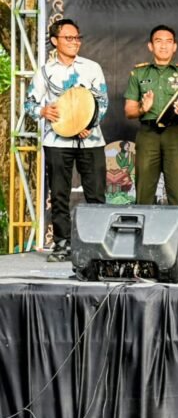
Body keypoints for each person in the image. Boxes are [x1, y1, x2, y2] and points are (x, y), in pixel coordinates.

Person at [26, 19, 108, 262]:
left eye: (77, 38)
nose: (75, 42)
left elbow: (102, 102)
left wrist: (88, 123)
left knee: (95, 194)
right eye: (69, 38)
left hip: (90, 140)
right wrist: (42, 111)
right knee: (59, 194)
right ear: (55, 41)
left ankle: (98, 245)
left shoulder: (92, 67)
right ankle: (62, 244)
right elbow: (29, 103)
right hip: (57, 141)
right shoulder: (45, 72)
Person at [124, 25, 178, 206]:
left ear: (175, 46)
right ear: (150, 46)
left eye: (168, 42)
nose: (163, 46)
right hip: (148, 133)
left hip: (175, 133)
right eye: (158, 41)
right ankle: (142, 233)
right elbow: (129, 111)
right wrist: (142, 108)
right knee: (144, 190)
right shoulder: (138, 73)